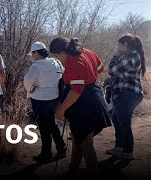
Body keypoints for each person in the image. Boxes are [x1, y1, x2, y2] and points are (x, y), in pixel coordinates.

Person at [49, 37, 112, 176]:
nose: (57, 59)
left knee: (86, 143)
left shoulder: (74, 62)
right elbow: (100, 68)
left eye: (57, 55)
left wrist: (61, 109)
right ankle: (73, 170)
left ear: (63, 52)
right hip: (92, 97)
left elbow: (76, 91)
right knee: (79, 138)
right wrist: (89, 76)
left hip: (85, 103)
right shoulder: (87, 52)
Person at [24, 41, 67, 163]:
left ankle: (46, 153)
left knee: (43, 127)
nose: (32, 56)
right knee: (52, 124)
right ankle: (61, 148)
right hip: (54, 98)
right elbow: (64, 75)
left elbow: (27, 81)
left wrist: (30, 89)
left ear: (36, 53)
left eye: (32, 54)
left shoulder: (36, 66)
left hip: (40, 99)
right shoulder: (56, 62)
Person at [106, 34, 145, 162]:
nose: (118, 47)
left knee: (124, 122)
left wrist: (115, 57)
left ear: (126, 45)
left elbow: (112, 70)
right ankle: (120, 147)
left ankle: (128, 151)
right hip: (125, 93)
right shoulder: (128, 56)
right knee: (117, 120)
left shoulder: (132, 56)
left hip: (128, 93)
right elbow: (118, 73)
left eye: (120, 45)